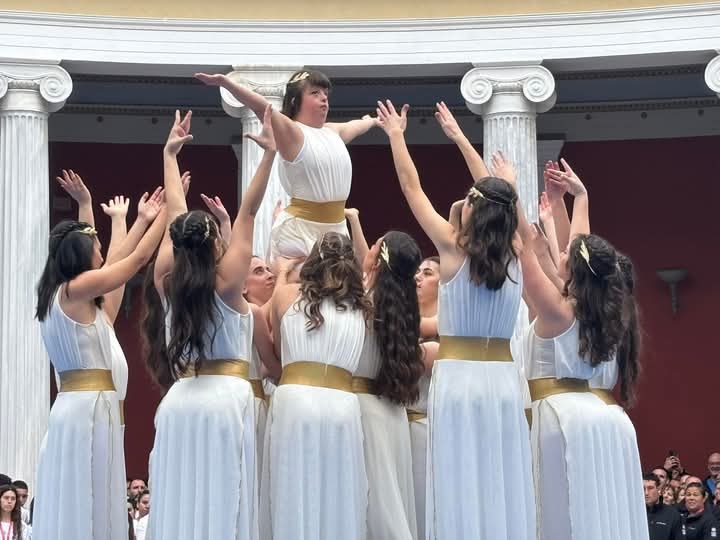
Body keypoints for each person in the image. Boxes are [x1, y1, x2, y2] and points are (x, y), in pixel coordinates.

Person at [376, 99, 535, 539]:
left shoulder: (450, 247)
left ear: (472, 209)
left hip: (458, 378)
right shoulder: (518, 251)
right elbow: (499, 199)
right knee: (499, 476)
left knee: (457, 476)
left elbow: (412, 188)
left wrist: (396, 136)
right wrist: (473, 151)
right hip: (503, 380)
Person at [145, 106, 275, 540]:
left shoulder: (167, 280)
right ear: (217, 243)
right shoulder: (229, 282)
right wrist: (269, 155)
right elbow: (249, 211)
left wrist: (169, 155)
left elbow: (175, 217)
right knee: (224, 500)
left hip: (180, 400)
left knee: (181, 499)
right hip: (225, 402)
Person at [519, 156, 648, 540]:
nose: (562, 252)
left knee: (561, 515)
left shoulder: (560, 312)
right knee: (595, 516)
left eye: (566, 257)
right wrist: (579, 199)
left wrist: (508, 192)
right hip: (599, 419)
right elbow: (579, 250)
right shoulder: (601, 312)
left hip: (560, 420)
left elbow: (525, 258)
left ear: (574, 271)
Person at [34, 172, 165, 540]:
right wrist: (169, 211)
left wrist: (92, 208)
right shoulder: (76, 291)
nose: (102, 251)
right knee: (90, 496)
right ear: (82, 255)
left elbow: (114, 265)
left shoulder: (73, 301)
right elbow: (136, 259)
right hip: (89, 409)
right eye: (95, 247)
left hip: (83, 408)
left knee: (85, 496)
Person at [196, 69, 379, 262]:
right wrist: (226, 83)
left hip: (336, 229)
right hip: (300, 232)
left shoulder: (332, 132)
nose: (324, 98)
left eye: (326, 93)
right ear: (294, 101)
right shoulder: (293, 133)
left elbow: (357, 125)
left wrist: (373, 121)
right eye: (315, 93)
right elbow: (261, 106)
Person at [262, 232, 371, 540]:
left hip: (295, 402)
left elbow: (280, 351)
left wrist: (282, 273)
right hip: (343, 407)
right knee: (338, 492)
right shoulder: (363, 307)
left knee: (292, 487)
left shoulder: (285, 295)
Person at [355, 230, 424, 539]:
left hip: (364, 413)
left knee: (377, 506)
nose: (367, 249)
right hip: (392, 414)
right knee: (391, 499)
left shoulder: (361, 306)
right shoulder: (406, 309)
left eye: (373, 245)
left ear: (378, 261)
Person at [645, 473, 682, 540]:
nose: (646, 493)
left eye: (650, 488)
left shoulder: (672, 514)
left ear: (659, 490)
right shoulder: (634, 513)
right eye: (643, 488)